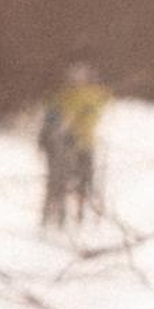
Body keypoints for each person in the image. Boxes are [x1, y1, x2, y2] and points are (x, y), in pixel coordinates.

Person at [39, 63, 108, 231]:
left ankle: (78, 217)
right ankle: (57, 217)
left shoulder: (93, 96)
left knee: (77, 181)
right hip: (66, 143)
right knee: (62, 180)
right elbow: (52, 116)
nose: (76, 81)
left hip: (80, 144)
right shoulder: (64, 97)